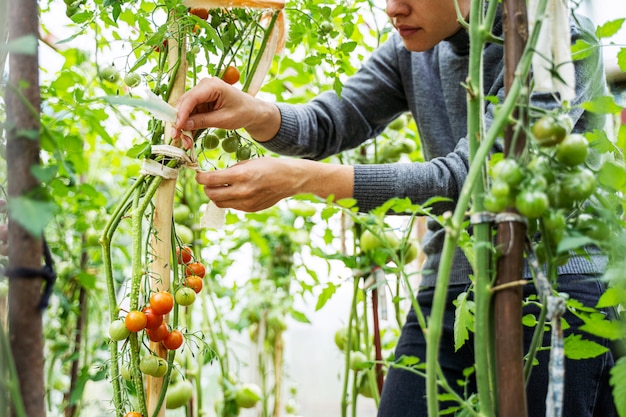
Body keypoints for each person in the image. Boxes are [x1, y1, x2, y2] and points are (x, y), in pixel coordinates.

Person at [173, 0, 616, 415]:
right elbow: (334, 120)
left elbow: (475, 178)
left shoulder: (555, 37)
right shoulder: (413, 49)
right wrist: (252, 111)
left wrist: (303, 180)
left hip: (556, 290)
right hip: (449, 287)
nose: (392, 7)